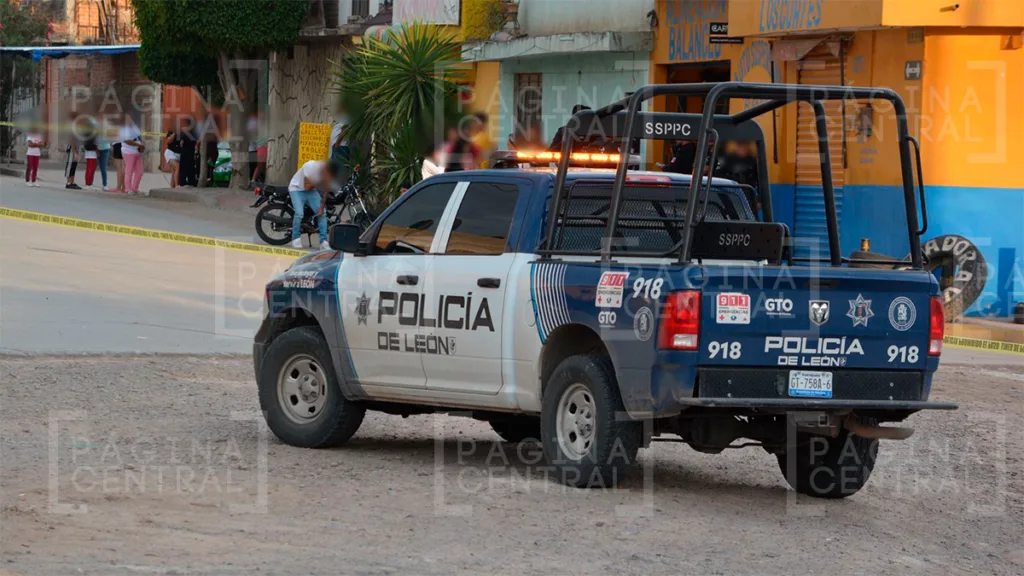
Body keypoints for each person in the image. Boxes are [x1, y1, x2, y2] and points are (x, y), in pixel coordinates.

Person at [287, 158, 340, 250]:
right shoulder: (310, 166)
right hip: (296, 189)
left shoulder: (327, 174)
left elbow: (326, 191)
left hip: (312, 191)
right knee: (299, 213)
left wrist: (321, 207)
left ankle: (323, 241)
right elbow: (307, 186)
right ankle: (295, 238)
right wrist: (321, 181)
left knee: (323, 213)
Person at [120, 121, 145, 195]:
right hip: (128, 152)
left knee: (140, 172)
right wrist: (139, 145)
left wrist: (142, 144)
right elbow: (127, 141)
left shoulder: (135, 127)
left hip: (137, 152)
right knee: (129, 171)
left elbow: (139, 137)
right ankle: (128, 188)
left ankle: (135, 188)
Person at [96, 122, 111, 191]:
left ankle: (105, 184)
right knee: (92, 167)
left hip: (105, 149)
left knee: (103, 168)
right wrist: (96, 149)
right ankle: (89, 184)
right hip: (97, 149)